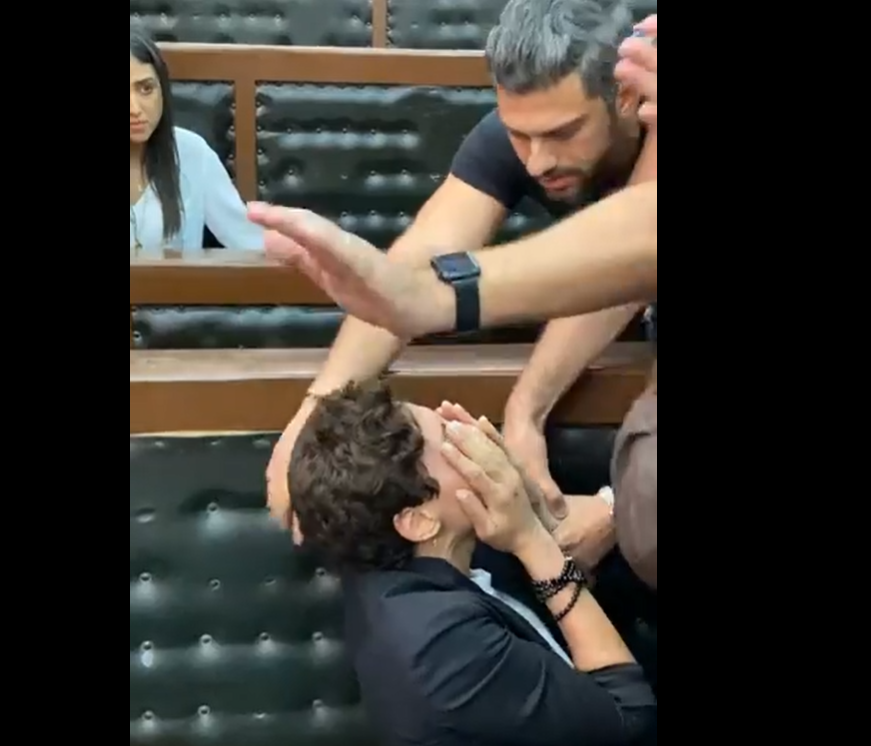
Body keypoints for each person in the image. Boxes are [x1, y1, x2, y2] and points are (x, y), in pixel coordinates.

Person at [263, 1, 656, 574]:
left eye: (562, 133)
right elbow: (418, 262)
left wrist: (533, 411)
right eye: (519, 135)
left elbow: (626, 261)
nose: (538, 161)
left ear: (623, 96)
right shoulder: (522, 133)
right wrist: (314, 411)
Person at [288, 380, 657, 746]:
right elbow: (631, 719)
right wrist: (532, 540)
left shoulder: (437, 545)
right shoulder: (444, 651)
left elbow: (569, 555)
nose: (472, 437)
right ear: (419, 521)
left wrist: (527, 502)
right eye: (450, 441)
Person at [129, 24, 262, 257]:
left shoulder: (193, 153)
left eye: (146, 89)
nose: (135, 108)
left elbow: (249, 240)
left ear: (163, 90)